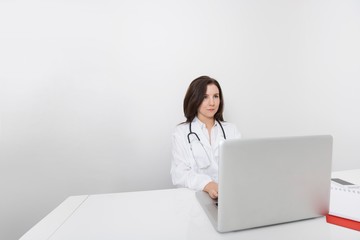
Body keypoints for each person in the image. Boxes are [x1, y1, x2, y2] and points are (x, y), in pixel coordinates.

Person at [170, 76, 241, 199]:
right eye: (205, 97)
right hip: (193, 199)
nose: (212, 103)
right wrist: (207, 185)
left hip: (227, 198)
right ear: (194, 99)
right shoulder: (181, 132)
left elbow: (241, 167)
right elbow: (179, 174)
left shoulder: (231, 130)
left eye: (216, 96)